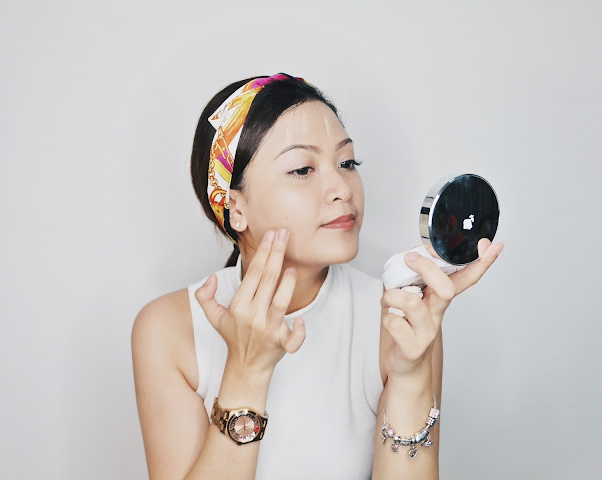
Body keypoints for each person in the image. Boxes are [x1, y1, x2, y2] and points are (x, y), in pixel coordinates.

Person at [131, 73, 504, 480]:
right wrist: (246, 372)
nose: (342, 188)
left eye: (347, 163)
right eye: (302, 169)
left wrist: (411, 377)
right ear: (235, 208)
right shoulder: (170, 329)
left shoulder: (399, 318)